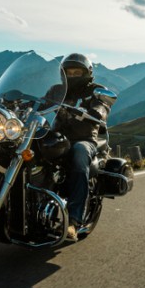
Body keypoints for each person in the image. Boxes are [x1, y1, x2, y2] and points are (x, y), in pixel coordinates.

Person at [57, 53, 112, 241]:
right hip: (55, 136)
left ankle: (73, 220)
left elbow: (103, 106)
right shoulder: (56, 90)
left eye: (76, 71)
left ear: (86, 73)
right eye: (68, 72)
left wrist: (98, 111)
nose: (72, 75)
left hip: (84, 139)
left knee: (79, 154)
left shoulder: (96, 91)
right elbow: (40, 104)